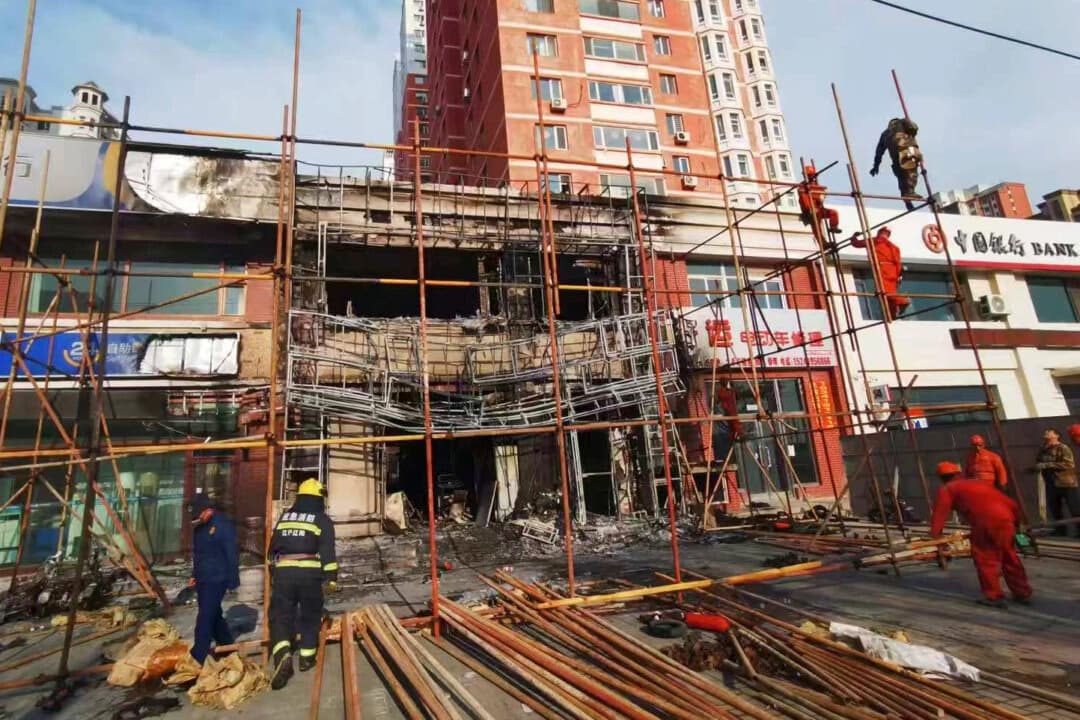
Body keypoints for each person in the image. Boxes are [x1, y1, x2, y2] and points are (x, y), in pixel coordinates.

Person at [930, 461, 1031, 608]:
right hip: (1006, 519)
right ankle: (1022, 592)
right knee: (1009, 556)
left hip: (984, 523)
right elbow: (1008, 502)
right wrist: (1018, 521)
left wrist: (935, 534)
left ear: (941, 478)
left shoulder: (948, 488)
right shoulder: (979, 483)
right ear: (958, 473)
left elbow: (940, 513)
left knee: (985, 559)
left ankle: (994, 596)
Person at [268, 478, 338, 690]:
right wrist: (331, 577)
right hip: (309, 574)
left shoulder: (285, 517)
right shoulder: (321, 519)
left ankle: (282, 653)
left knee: (280, 615)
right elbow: (327, 551)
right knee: (310, 615)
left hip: (284, 572)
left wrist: (274, 570)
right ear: (317, 499)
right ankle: (307, 658)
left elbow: (273, 549)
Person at [188, 492, 240, 665]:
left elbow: (231, 553)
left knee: (205, 616)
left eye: (200, 513)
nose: (198, 517)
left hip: (218, 577)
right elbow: (198, 554)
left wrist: (233, 578)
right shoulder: (200, 528)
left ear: (208, 509)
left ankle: (197, 656)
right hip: (203, 577)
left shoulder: (223, 526)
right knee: (214, 614)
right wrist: (194, 574)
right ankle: (228, 647)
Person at [850, 227, 909, 320]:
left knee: (884, 291)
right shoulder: (894, 247)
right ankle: (892, 314)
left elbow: (856, 244)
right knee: (890, 293)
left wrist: (853, 237)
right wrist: (898, 275)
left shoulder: (875, 241)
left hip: (882, 267)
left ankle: (902, 302)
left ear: (879, 233)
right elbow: (898, 263)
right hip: (893, 271)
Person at [1033, 428, 1079, 538]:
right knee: (1055, 510)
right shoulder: (1043, 449)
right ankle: (1061, 531)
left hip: (1067, 483)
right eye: (1045, 432)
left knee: (1075, 509)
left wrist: (1047, 465)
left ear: (1057, 435)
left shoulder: (1063, 448)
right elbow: (1038, 461)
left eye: (1049, 432)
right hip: (1051, 484)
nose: (1046, 434)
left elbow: (1068, 464)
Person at [870, 117, 923, 210]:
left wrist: (876, 166)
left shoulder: (884, 134)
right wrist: (912, 134)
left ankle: (907, 200)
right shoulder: (902, 122)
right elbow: (914, 128)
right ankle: (910, 192)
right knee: (911, 169)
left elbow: (879, 151)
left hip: (895, 155)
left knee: (901, 176)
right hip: (905, 146)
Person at [797, 164, 841, 241]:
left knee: (833, 213)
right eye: (810, 175)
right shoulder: (803, 187)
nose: (812, 177)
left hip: (819, 209)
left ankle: (833, 227)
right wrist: (809, 209)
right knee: (817, 229)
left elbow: (821, 194)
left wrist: (822, 195)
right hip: (810, 211)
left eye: (813, 175)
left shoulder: (816, 185)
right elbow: (803, 200)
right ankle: (823, 244)